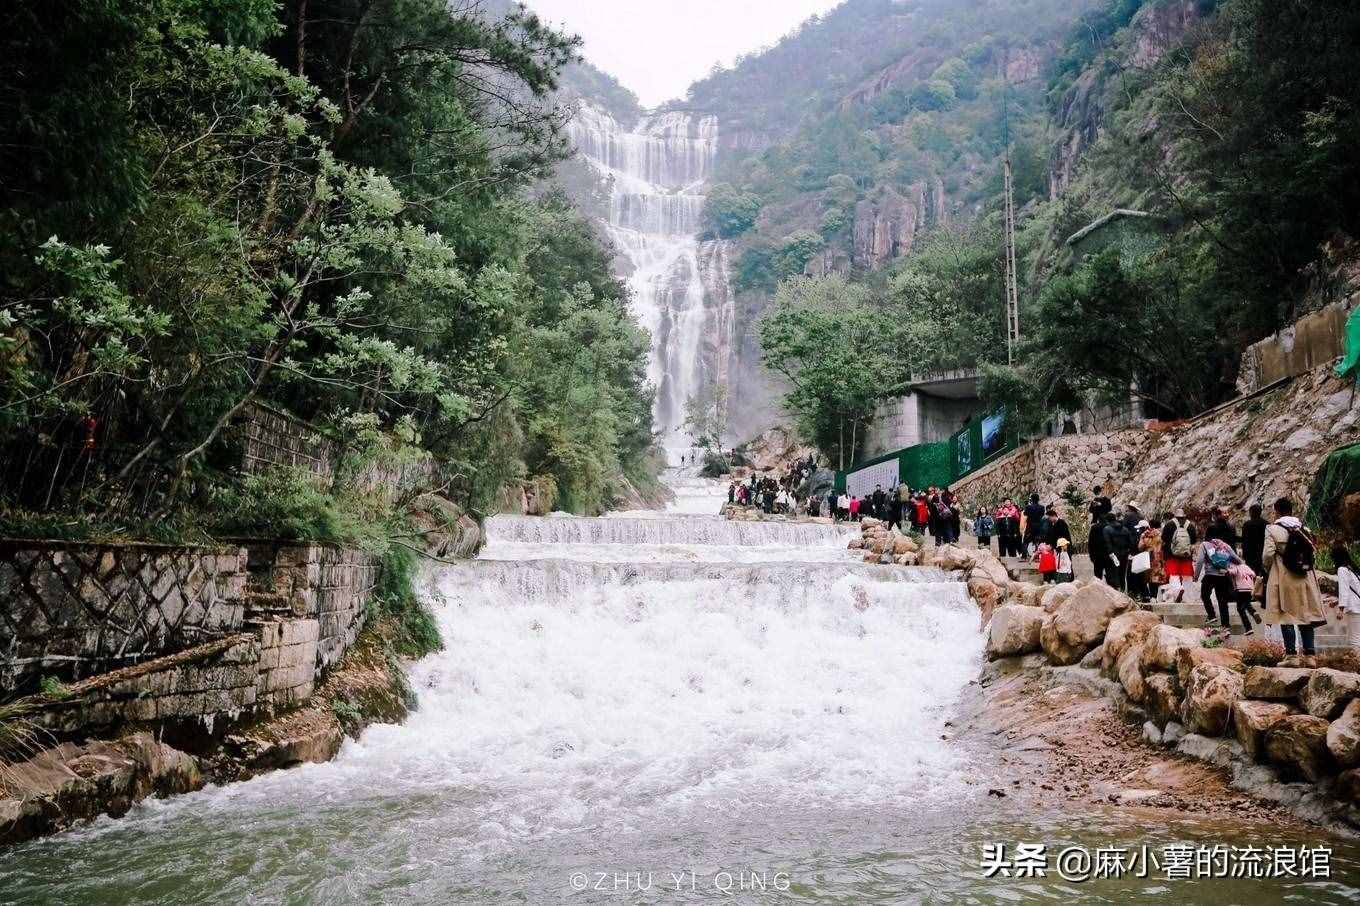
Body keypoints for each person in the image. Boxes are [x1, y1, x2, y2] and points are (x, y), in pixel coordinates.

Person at [1262, 497, 1328, 656]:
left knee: (1286, 615)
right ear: (1291, 510)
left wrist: (1268, 570)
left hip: (1284, 576)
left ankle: (1291, 655)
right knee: (1306, 616)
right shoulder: (1304, 530)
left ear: (1276, 512)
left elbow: (1268, 555)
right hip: (1305, 577)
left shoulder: (1272, 529)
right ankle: (1310, 655)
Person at [1195, 536, 1240, 629]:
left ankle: (1211, 615)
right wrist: (1241, 567)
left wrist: (1196, 576)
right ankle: (1225, 625)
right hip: (1223, 576)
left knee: (1205, 595)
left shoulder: (1204, 545)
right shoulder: (1225, 546)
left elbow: (1199, 561)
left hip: (1210, 576)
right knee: (1222, 601)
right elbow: (1236, 559)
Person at [1161, 509, 1198, 602]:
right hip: (1186, 555)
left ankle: (1178, 591)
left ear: (1175, 515)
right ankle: (1188, 597)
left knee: (1174, 575)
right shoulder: (1190, 525)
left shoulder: (1169, 524)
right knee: (1187, 576)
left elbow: (1163, 538)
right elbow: (1193, 540)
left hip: (1171, 555)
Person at [1332, 545, 1360, 649]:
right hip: (1357, 605)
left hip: (1355, 608)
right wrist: (1337, 602)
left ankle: (1356, 663)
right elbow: (1353, 590)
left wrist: (1340, 610)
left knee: (1354, 641)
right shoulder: (1353, 569)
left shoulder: (1342, 569)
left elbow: (1344, 590)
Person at [1227, 558, 1262, 636]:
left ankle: (1248, 628)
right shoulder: (1246, 566)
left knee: (1240, 609)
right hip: (1250, 589)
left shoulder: (1235, 566)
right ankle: (1254, 613)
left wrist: (1227, 570)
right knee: (1246, 603)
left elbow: (1233, 572)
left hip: (1240, 589)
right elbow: (1253, 574)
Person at [1102, 511, 1135, 592]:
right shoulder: (1125, 529)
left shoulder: (1107, 529)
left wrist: (1110, 554)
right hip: (1124, 554)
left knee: (1113, 573)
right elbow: (1131, 543)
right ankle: (1123, 591)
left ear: (1107, 520)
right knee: (1122, 574)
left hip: (1113, 555)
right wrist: (1130, 552)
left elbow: (1107, 543)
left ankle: (1116, 591)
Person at [1138, 519, 1166, 603]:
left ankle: (1150, 596)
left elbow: (1140, 547)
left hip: (1148, 558)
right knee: (1156, 577)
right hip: (1159, 559)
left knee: (1149, 578)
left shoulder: (1146, 535)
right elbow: (1164, 544)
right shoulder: (1161, 534)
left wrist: (1141, 539)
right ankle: (1154, 596)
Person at [1242, 503, 1268, 573]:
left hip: (1250, 555)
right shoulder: (1266, 524)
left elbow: (1244, 541)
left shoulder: (1247, 525)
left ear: (1251, 512)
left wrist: (1244, 555)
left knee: (1251, 574)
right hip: (1262, 553)